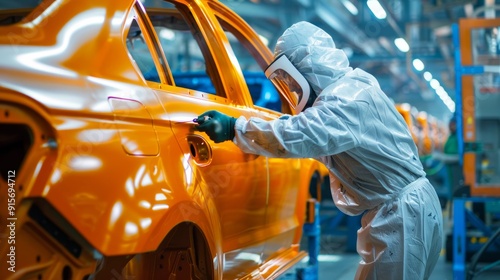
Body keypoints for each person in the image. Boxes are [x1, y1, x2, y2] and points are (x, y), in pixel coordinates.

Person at [195, 21, 443, 279]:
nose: (290, 86)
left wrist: (235, 127)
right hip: (407, 210)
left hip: (402, 216)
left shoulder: (345, 99)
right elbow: (317, 134)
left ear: (308, 65)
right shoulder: (354, 86)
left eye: (290, 77)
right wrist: (270, 126)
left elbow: (299, 136)